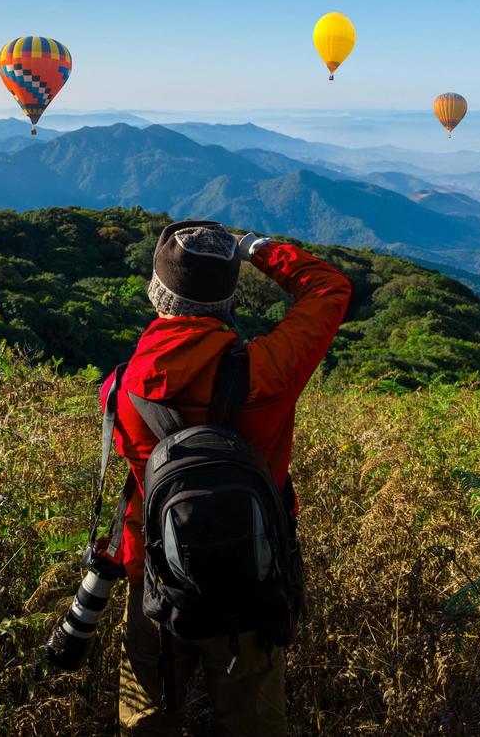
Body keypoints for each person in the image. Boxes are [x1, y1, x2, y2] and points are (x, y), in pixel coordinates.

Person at [107, 220, 352, 735]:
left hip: (155, 581)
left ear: (158, 294)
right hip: (251, 584)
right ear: (227, 299)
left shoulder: (121, 386)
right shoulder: (268, 371)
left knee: (146, 726)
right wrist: (255, 248)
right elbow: (330, 287)